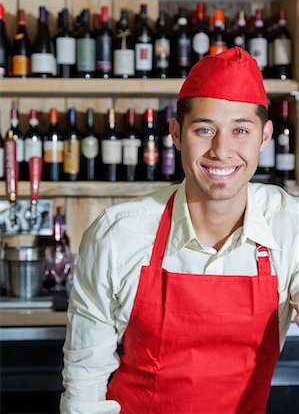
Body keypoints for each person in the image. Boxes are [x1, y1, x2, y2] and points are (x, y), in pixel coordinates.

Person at [60, 47, 299, 414]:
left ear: (265, 137)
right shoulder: (118, 234)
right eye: (205, 129)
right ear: (176, 133)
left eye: (240, 130)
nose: (222, 150)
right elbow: (85, 376)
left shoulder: (290, 225)